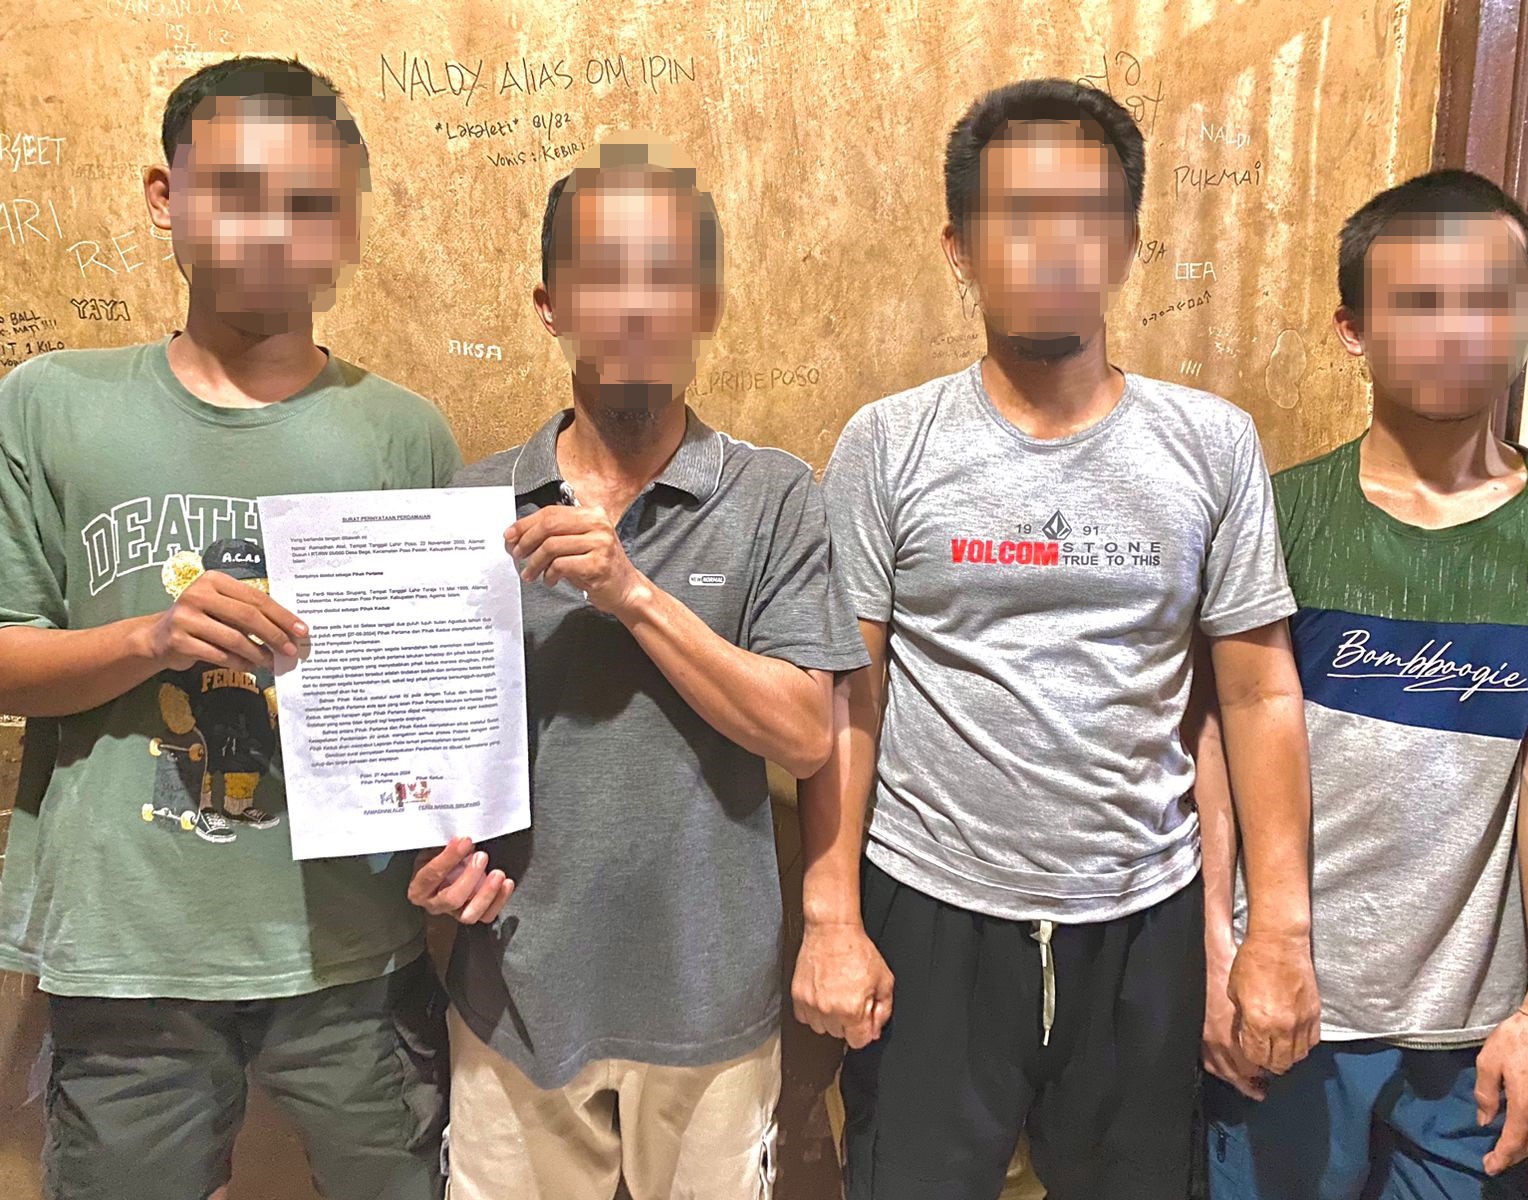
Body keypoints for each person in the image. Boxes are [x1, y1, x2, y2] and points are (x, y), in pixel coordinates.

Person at [797, 77, 1322, 1200]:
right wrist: (831, 914)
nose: (1053, 243)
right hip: (929, 905)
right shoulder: (888, 443)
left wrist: (1276, 932)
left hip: (1142, 915)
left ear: (1127, 241)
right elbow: (848, 692)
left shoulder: (1212, 443)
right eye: (1016, 214)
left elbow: (1258, 694)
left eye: (1086, 212)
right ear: (960, 246)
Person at [0, 56, 460, 1199]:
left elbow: (434, 700)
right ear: (166, 196)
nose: (269, 229)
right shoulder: (50, 405)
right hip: (125, 948)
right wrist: (151, 640)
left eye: (308, 203)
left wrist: (459, 833)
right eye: (236, 190)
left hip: (353, 946)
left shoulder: (402, 433)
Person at [406, 135, 870, 1200]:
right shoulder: (469, 508)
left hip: (710, 1000)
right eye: (602, 275)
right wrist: (421, 867)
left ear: (704, 305)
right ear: (550, 306)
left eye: (665, 275)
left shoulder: (774, 496)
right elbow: (426, 756)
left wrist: (633, 595)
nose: (634, 305)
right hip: (515, 993)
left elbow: (806, 734)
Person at [1202, 169, 1528, 1200]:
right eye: (1419, 302)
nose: (1457, 329)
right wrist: (1217, 957)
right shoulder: (1279, 513)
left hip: (1479, 1034)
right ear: (1354, 328)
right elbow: (1216, 743)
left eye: (1488, 299)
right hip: (1286, 1008)